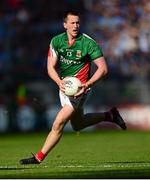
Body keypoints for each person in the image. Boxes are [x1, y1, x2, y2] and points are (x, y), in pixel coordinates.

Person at [20, 10, 126, 165]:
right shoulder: (56, 41)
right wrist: (59, 82)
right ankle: (110, 115)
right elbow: (50, 67)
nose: (75, 25)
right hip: (64, 87)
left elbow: (103, 68)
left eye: (77, 22)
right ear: (65, 25)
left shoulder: (88, 43)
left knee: (58, 123)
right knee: (78, 124)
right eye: (72, 23)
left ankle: (38, 157)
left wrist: (87, 84)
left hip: (80, 90)